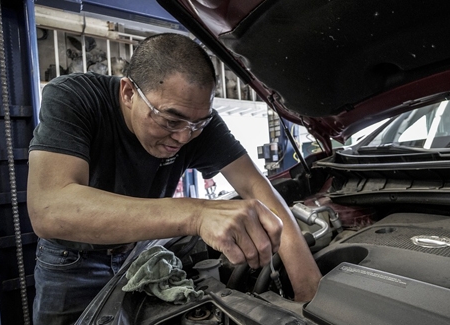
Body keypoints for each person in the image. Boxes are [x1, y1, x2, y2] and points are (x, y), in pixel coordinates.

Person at [27, 33, 322, 325]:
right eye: (170, 120)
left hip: (140, 253)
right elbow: (50, 208)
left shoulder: (196, 124)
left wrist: (309, 292)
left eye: (198, 123)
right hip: (71, 261)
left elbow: (256, 187)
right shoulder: (76, 97)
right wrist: (196, 214)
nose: (184, 136)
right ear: (129, 93)